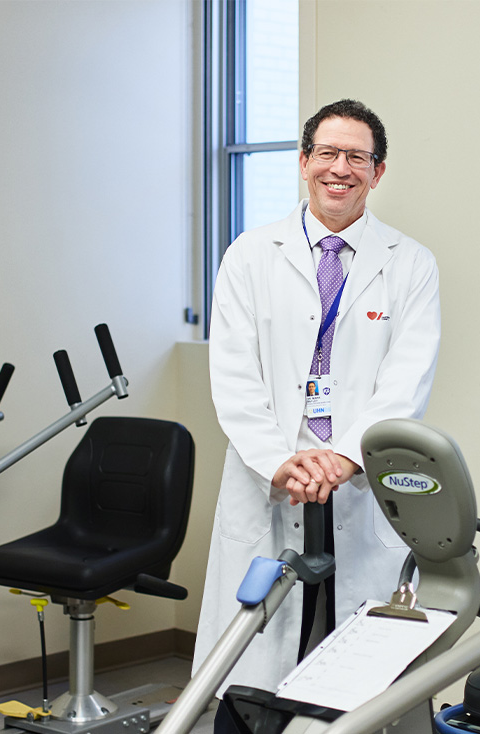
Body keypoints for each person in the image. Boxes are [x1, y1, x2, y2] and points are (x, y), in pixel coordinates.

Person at [193, 99, 441, 712]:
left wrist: (345, 456)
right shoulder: (251, 255)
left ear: (377, 172)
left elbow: (405, 381)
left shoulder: (409, 264)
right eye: (327, 153)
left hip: (356, 478)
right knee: (256, 658)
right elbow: (232, 373)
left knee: (357, 662)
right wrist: (279, 460)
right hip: (272, 476)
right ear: (305, 163)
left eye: (357, 157)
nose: (341, 168)